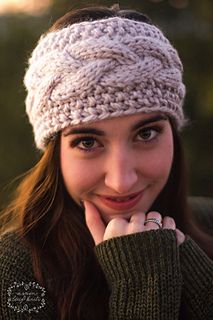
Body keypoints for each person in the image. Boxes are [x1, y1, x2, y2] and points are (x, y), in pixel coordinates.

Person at [0, 4, 213, 320]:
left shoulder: (209, 220)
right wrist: (141, 289)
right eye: (88, 142)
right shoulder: (17, 270)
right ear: (54, 152)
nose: (121, 180)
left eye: (146, 133)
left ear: (173, 131)